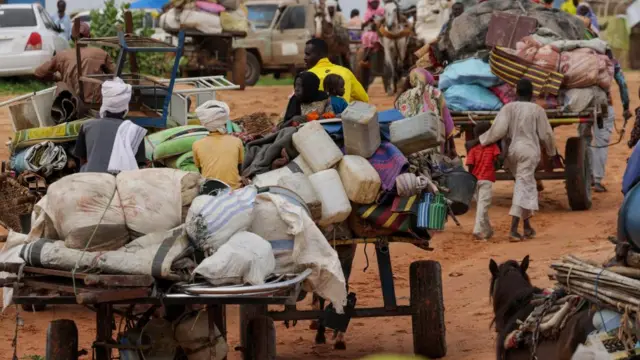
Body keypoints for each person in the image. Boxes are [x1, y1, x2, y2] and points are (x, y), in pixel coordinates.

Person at [478, 79, 557, 241]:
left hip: (512, 152)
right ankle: (513, 230)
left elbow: (497, 131)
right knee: (523, 186)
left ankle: (527, 227)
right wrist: (551, 152)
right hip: (529, 152)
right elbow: (546, 135)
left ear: (516, 92)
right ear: (532, 93)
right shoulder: (537, 110)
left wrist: (481, 141)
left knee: (525, 184)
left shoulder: (508, 108)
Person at [580, 50, 631, 192]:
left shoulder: (582, 60)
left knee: (584, 140)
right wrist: (626, 107)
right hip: (604, 106)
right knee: (601, 143)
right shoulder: (612, 62)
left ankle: (587, 176)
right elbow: (622, 84)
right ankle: (596, 180)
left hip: (583, 106)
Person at [73, 78, 147, 173]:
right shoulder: (135, 131)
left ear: (105, 103)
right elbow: (140, 167)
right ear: (125, 106)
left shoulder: (86, 126)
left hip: (89, 178)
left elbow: (82, 161)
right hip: (120, 182)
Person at [35, 22, 115, 104]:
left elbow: (38, 72)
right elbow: (116, 75)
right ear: (89, 37)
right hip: (96, 104)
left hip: (71, 105)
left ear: (71, 38)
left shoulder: (61, 55)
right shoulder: (101, 53)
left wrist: (56, 78)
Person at [394, 68, 456, 157]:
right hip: (433, 144)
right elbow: (446, 121)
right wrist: (452, 147)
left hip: (408, 146)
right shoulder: (435, 93)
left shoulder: (401, 98)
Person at [192, 100, 244, 189]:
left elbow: (201, 170)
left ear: (205, 124)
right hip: (234, 189)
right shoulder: (237, 141)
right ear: (224, 122)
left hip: (210, 190)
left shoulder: (197, 144)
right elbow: (239, 167)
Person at [305, 38, 369, 103]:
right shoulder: (345, 72)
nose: (304, 58)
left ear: (319, 54)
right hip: (343, 112)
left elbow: (296, 102)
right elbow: (364, 99)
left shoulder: (305, 76)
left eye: (307, 54)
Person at [466, 123, 500, 241]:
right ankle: (477, 230)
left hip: (475, 180)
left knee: (482, 207)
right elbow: (497, 161)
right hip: (486, 179)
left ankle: (488, 231)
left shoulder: (473, 149)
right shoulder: (493, 147)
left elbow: (470, 165)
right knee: (482, 206)